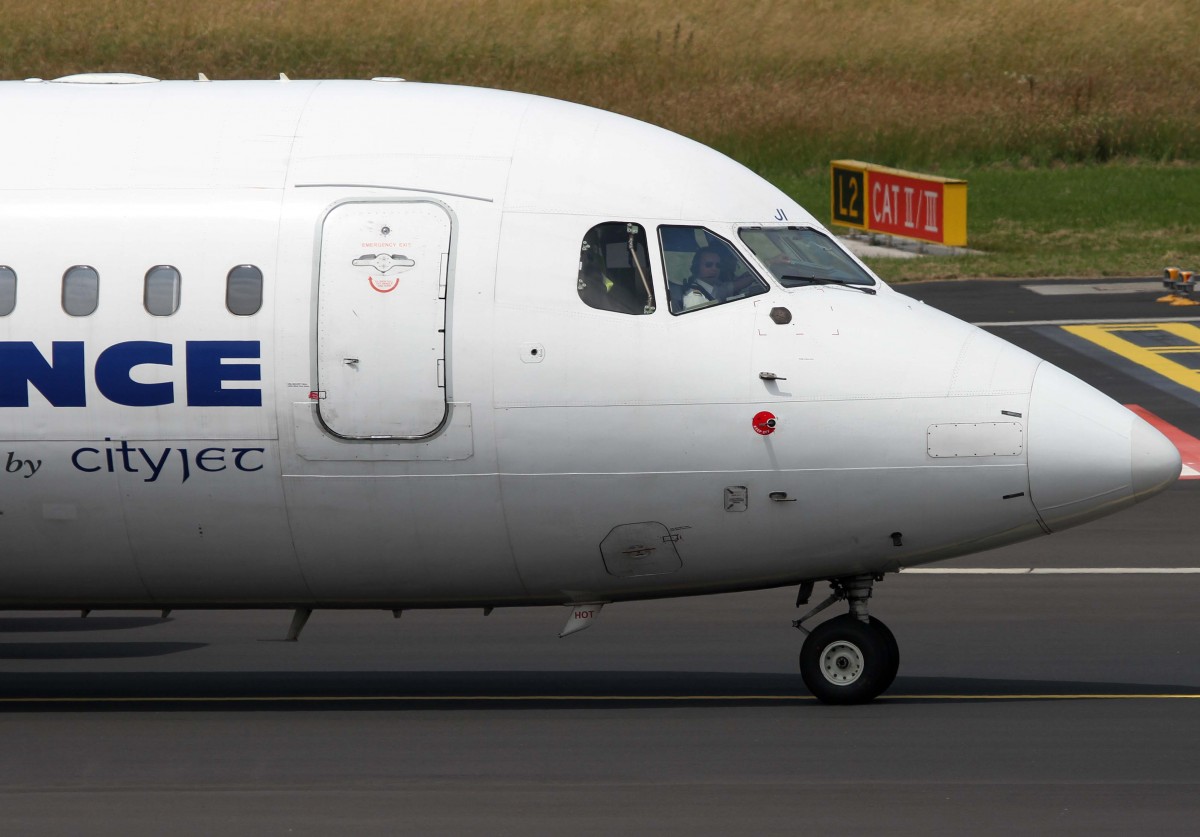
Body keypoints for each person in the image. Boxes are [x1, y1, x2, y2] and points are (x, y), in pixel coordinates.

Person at [678, 247, 758, 311]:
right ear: (697, 267)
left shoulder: (713, 289)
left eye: (718, 265)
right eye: (709, 265)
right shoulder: (695, 298)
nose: (714, 269)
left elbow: (729, 287)